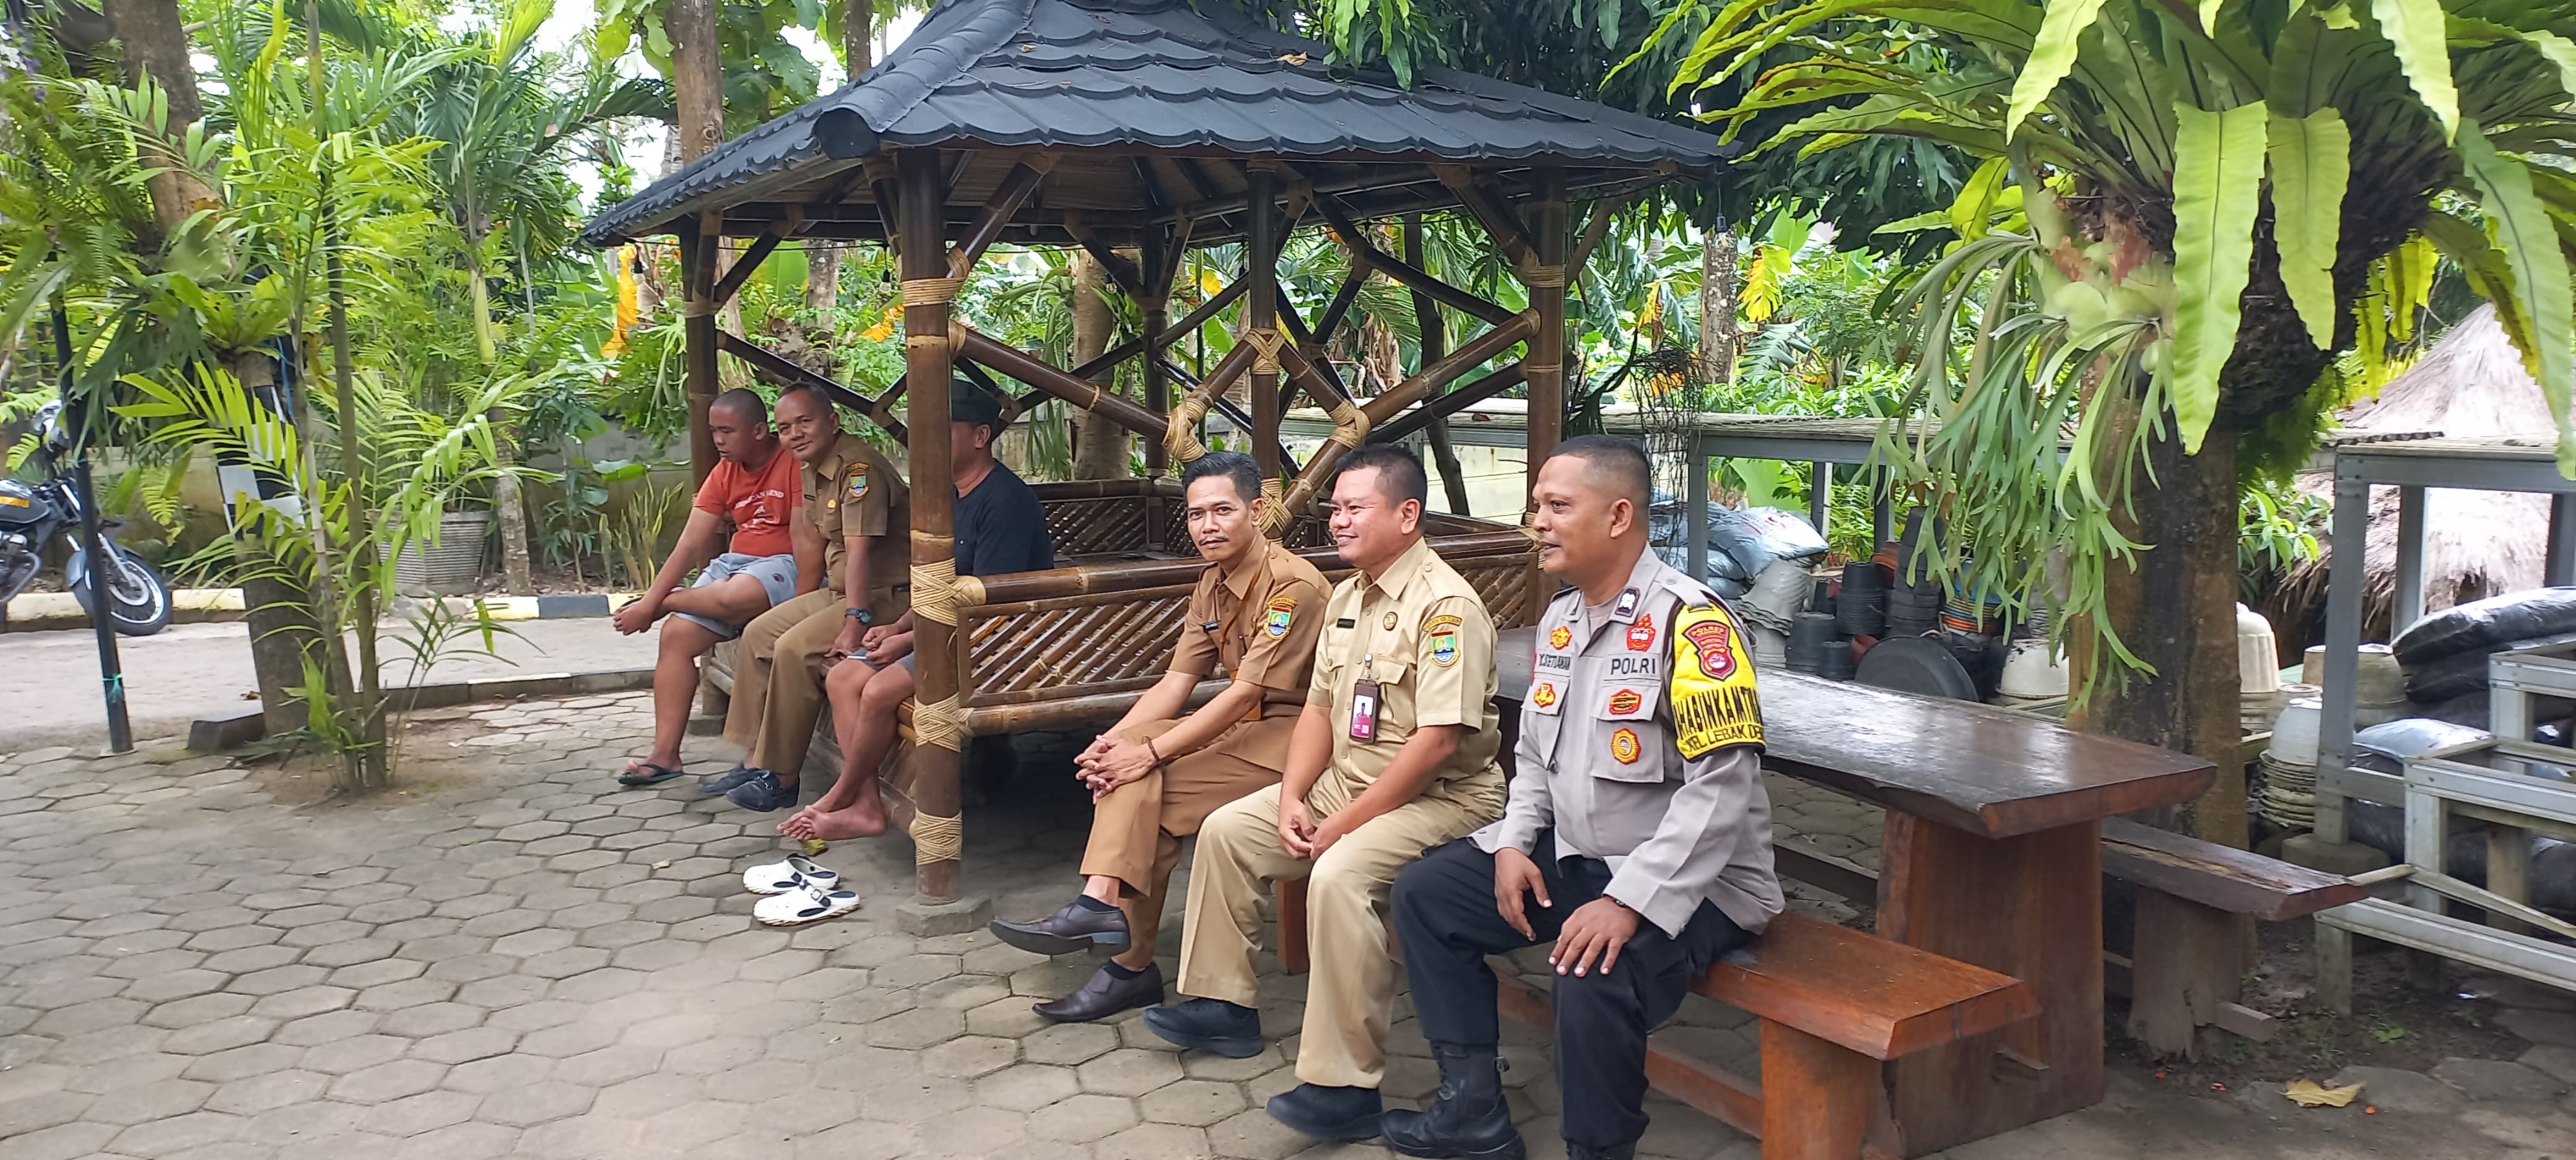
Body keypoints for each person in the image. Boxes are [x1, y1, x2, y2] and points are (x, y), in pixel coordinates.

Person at [1381, 436, 1781, 1160]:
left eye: (1558, 505)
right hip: (1580, 855)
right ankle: (1470, 1109)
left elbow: (1720, 790)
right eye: (1537, 504)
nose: (1537, 520)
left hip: (1698, 882)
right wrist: (1511, 842)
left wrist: (1629, 899)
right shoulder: (1562, 620)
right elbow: (1535, 757)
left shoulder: (1694, 624)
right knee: (1426, 894)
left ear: (1618, 515)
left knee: (1589, 971)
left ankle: (1597, 1149)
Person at [1143, 445, 1506, 1144]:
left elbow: (1436, 745)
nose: (1337, 521)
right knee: (1227, 830)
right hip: (1348, 782)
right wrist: (1291, 795)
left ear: (1407, 514)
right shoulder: (1348, 594)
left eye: (1354, 508)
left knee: (1338, 876)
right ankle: (1223, 1007)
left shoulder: (1445, 606)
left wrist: (1342, 823)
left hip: (1442, 797)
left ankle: (1344, 1087)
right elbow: (1317, 709)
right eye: (1335, 508)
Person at [987, 451, 1329, 1021]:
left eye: (1222, 510)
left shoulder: (1292, 587)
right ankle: (1105, 915)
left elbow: (1245, 693)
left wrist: (1146, 755)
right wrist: (1109, 745)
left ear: (1257, 511)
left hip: (1295, 735)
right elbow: (1176, 682)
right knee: (1129, 767)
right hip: (1244, 725)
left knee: (1146, 794)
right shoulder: (1211, 582)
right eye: (1196, 515)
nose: (1208, 526)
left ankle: (1124, 957)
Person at [780, 379, 1056, 839]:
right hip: (947, 630)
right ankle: (868, 806)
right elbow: (937, 583)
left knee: (877, 690)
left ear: (980, 436)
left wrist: (910, 640)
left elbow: (990, 607)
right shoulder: (947, 493)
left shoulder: (1004, 500)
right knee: (844, 678)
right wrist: (898, 628)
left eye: (940, 430)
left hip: (997, 641)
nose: (927, 443)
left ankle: (839, 796)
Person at [702, 383, 912, 812]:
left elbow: (859, 554)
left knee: (794, 648)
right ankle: (756, 758)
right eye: (784, 428)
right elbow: (813, 541)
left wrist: (855, 622)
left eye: (804, 422)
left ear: (832, 422)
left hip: (886, 596)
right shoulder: (811, 465)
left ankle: (782, 777)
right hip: (840, 590)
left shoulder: (858, 469)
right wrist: (803, 602)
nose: (795, 434)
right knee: (760, 633)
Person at [612, 388, 811, 786]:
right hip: (735, 565)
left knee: (736, 595)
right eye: (714, 431)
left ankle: (670, 602)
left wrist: (654, 603)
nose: (718, 440)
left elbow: (804, 537)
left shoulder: (792, 461)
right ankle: (665, 756)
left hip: (783, 564)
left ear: (759, 431)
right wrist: (651, 598)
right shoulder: (724, 472)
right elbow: (689, 544)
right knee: (675, 636)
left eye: (727, 431)